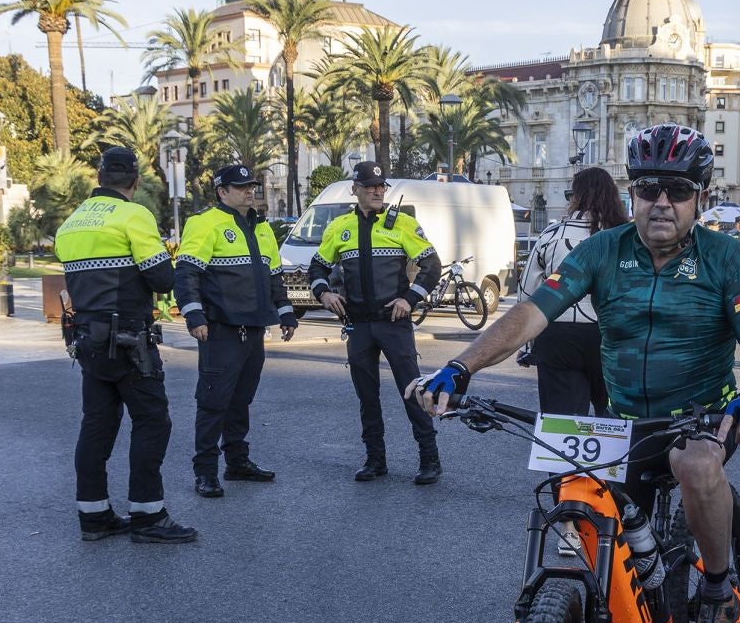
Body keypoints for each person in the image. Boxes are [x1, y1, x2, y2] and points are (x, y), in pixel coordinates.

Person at [408, 123, 740, 623]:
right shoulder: (602, 251)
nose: (662, 201)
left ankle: (716, 591)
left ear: (698, 198)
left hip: (702, 414)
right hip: (623, 421)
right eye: (649, 187)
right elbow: (531, 314)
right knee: (591, 541)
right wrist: (461, 368)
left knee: (695, 464)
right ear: (631, 192)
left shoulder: (726, 257)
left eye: (678, 191)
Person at [52, 147, 197, 544]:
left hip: (87, 342)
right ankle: (147, 515)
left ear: (99, 178)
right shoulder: (134, 216)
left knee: (96, 425)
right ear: (135, 181)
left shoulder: (71, 224)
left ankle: (94, 516)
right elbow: (162, 279)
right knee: (153, 421)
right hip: (129, 341)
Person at [309, 161, 446, 485]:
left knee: (413, 392)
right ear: (355, 189)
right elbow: (316, 269)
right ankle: (374, 460)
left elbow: (432, 265)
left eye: (381, 186)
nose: (376, 191)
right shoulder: (339, 227)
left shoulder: (402, 224)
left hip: (393, 323)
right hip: (358, 325)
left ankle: (430, 459)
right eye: (369, 186)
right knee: (367, 397)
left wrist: (409, 299)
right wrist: (325, 294)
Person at [175, 163, 298, 499]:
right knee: (214, 401)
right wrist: (194, 316)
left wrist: (285, 313)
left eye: (251, 186)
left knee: (240, 400)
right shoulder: (205, 223)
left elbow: (274, 276)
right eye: (241, 186)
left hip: (254, 329)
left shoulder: (261, 228)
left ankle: (237, 462)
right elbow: (186, 274)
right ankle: (205, 472)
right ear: (222, 191)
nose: (249, 191)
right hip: (220, 330)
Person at [518, 165, 622, 415]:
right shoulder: (624, 237)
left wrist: (527, 345)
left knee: (561, 423)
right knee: (617, 422)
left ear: (576, 197)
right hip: (612, 335)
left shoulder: (552, 234)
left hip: (558, 333)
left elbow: (528, 292)